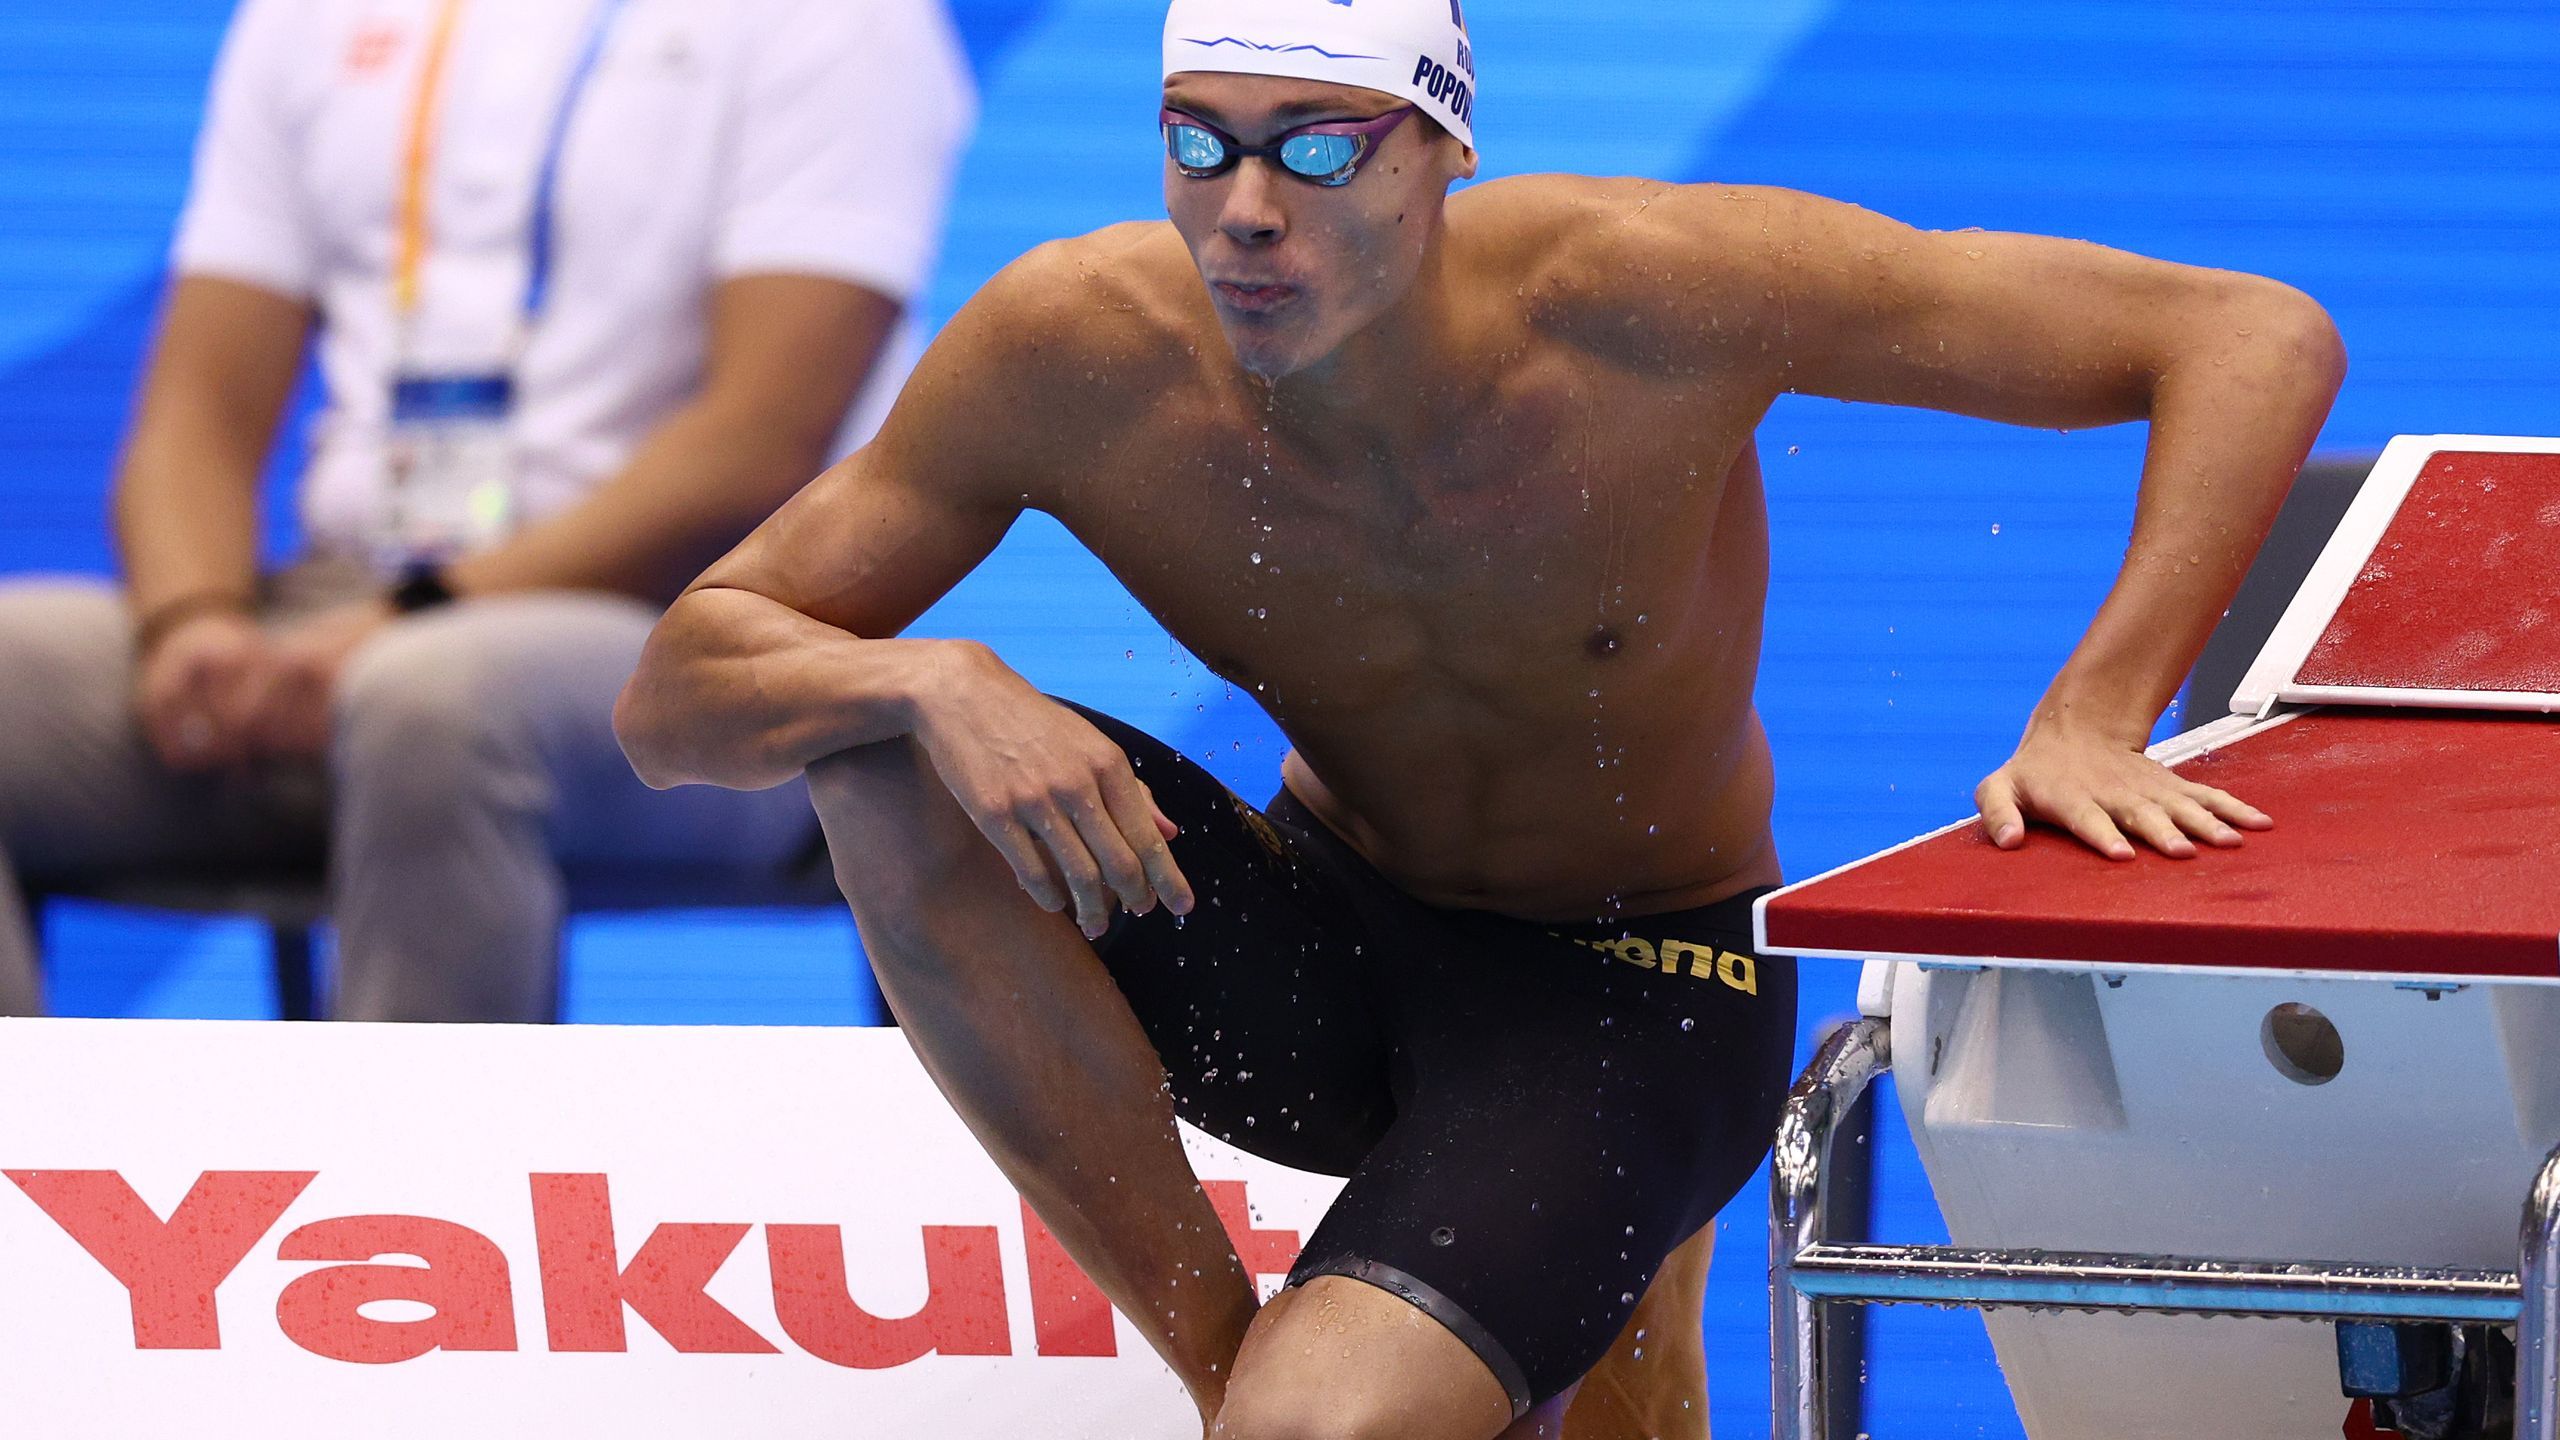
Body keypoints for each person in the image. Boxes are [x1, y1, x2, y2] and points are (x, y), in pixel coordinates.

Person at [614, 0, 2344, 1433]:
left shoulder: (1659, 289)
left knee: (1545, 1398)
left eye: (1316, 147)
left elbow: (2251, 337)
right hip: (1321, 950)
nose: (1246, 209)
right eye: (1201, 143)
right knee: (879, 750)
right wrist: (931, 673)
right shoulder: (1075, 350)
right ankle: (1229, 1373)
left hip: (1632, 989)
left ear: (1444, 149)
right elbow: (676, 693)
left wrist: (2097, 710)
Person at [0, 0, 973, 1021]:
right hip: (340, 610)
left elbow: (759, 446)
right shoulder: (305, 18)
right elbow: (194, 414)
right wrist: (193, 623)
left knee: (432, 699)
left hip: (701, 636)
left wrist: (409, 617)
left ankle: (409, 1136)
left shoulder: (839, 22)